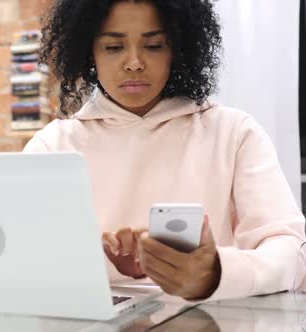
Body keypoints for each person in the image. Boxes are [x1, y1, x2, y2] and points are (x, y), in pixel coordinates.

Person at [23, 0, 306, 300]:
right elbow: (24, 263)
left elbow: (292, 253)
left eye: (154, 45)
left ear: (177, 48)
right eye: (113, 47)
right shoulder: (52, 148)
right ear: (89, 52)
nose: (134, 62)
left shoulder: (233, 133)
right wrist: (100, 264)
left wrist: (216, 272)